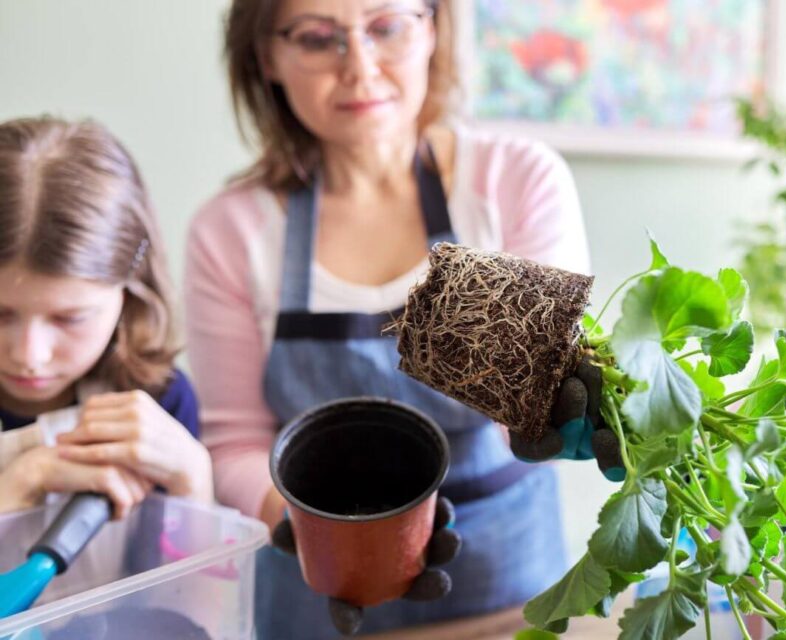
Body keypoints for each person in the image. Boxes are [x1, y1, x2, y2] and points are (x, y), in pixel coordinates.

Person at [184, 0, 600, 636]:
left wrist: (569, 411)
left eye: (386, 26)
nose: (361, 66)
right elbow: (235, 443)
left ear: (432, 28)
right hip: (314, 594)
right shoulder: (232, 231)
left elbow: (551, 387)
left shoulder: (515, 181)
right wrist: (315, 537)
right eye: (319, 38)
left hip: (510, 591)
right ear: (267, 54)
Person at [0, 117, 211, 519]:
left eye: (70, 318)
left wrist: (194, 479)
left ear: (129, 291)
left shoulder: (160, 400)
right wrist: (21, 482)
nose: (30, 354)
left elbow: (196, 582)